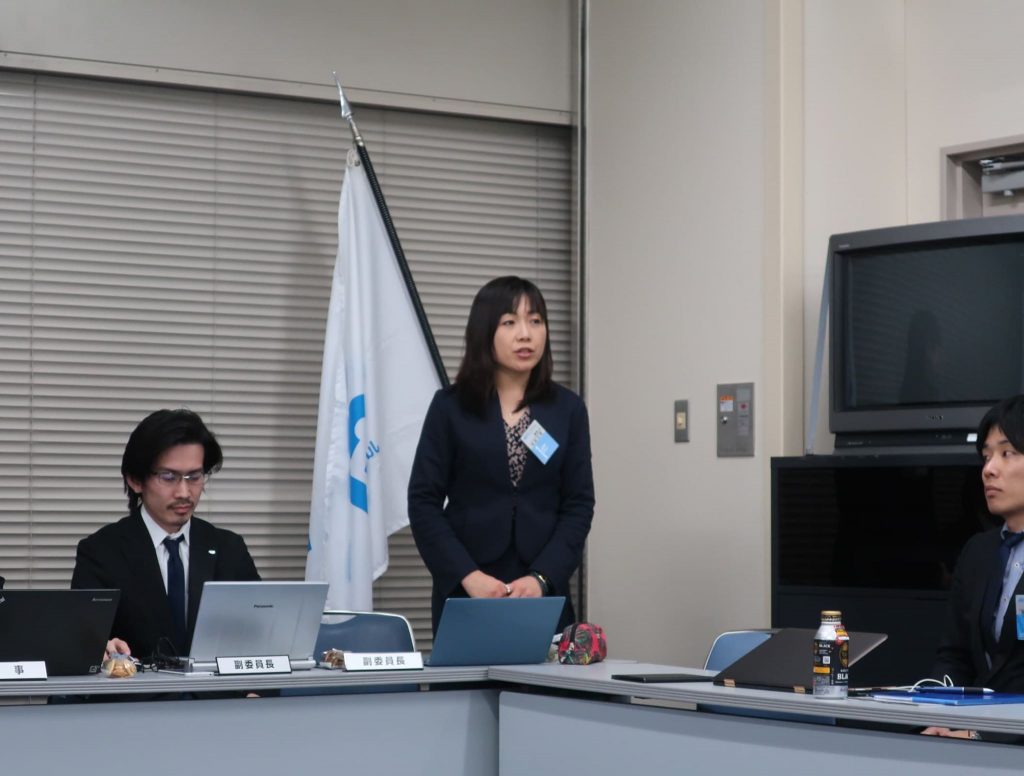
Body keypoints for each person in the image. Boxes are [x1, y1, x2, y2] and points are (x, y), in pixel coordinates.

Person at [408, 276, 595, 634]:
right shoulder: (450, 407)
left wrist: (542, 578)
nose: (525, 335)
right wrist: (467, 575)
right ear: (484, 332)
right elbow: (423, 502)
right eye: (510, 322)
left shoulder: (567, 409)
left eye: (535, 321)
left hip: (542, 593)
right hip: (467, 590)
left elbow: (579, 504)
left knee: (543, 672)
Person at [71, 409, 260, 661]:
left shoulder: (229, 548)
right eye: (169, 477)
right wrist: (101, 648)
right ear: (135, 480)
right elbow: (84, 642)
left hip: (215, 686)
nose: (184, 492)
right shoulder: (101, 552)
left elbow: (261, 631)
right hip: (139, 686)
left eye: (194, 477)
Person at [925, 394, 1024, 740]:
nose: (989, 469)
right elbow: (955, 655)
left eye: (1006, 453)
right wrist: (939, 716)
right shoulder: (978, 551)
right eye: (986, 456)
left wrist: (980, 735)